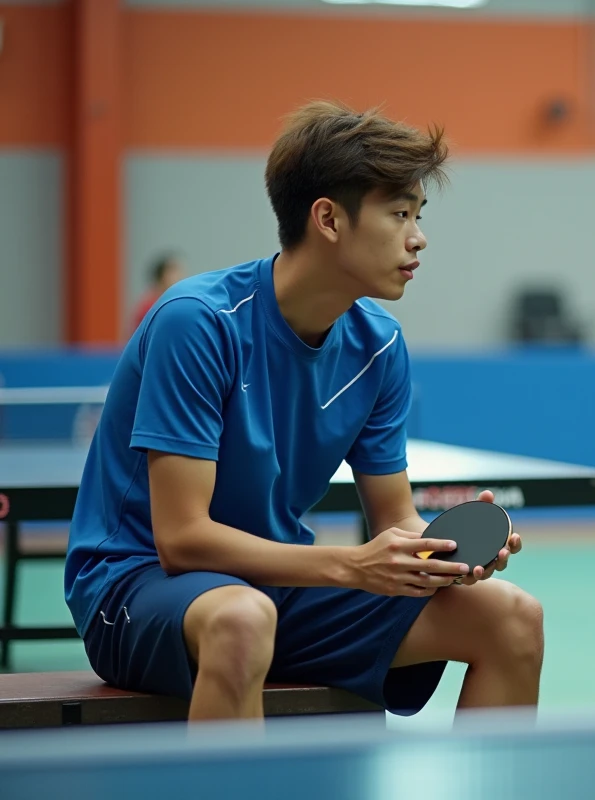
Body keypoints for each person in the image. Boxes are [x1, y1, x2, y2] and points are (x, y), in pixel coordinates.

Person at [65, 101, 544, 722]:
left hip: (282, 585)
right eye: (400, 214)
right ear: (328, 219)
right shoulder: (199, 324)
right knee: (242, 619)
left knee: (513, 618)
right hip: (136, 585)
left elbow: (393, 520)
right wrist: (351, 565)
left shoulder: (380, 347)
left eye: (418, 215)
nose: (419, 236)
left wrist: (439, 555)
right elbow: (182, 541)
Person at [129, 253, 185, 334]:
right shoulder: (150, 306)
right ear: (162, 275)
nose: (180, 276)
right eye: (174, 271)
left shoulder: (176, 301)